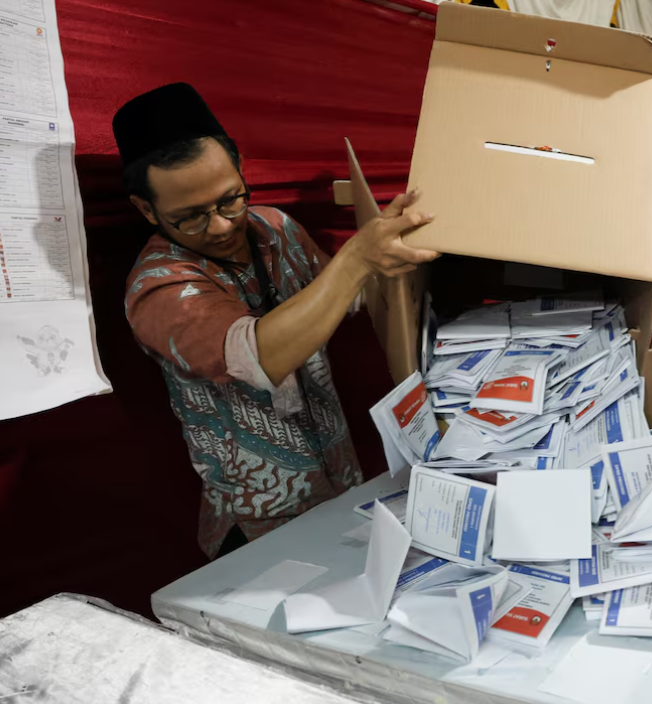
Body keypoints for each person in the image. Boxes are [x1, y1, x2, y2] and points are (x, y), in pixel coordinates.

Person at [113, 83, 438, 558]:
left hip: (341, 483)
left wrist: (388, 250)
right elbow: (258, 359)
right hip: (258, 520)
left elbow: (342, 298)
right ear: (147, 209)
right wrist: (356, 259)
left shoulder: (276, 228)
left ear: (241, 169)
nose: (221, 225)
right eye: (191, 217)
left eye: (230, 199)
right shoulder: (157, 288)